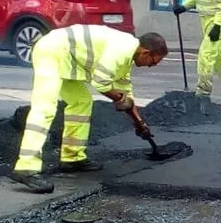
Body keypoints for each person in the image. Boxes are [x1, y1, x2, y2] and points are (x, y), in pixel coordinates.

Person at [10, 25, 168, 193]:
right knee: (45, 107)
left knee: (81, 101)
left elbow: (125, 94)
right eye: (153, 62)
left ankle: (72, 157)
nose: (152, 66)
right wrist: (121, 99)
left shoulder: (127, 58)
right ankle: (26, 168)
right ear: (145, 52)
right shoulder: (121, 50)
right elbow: (100, 83)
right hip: (52, 51)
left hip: (69, 59)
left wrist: (140, 123)